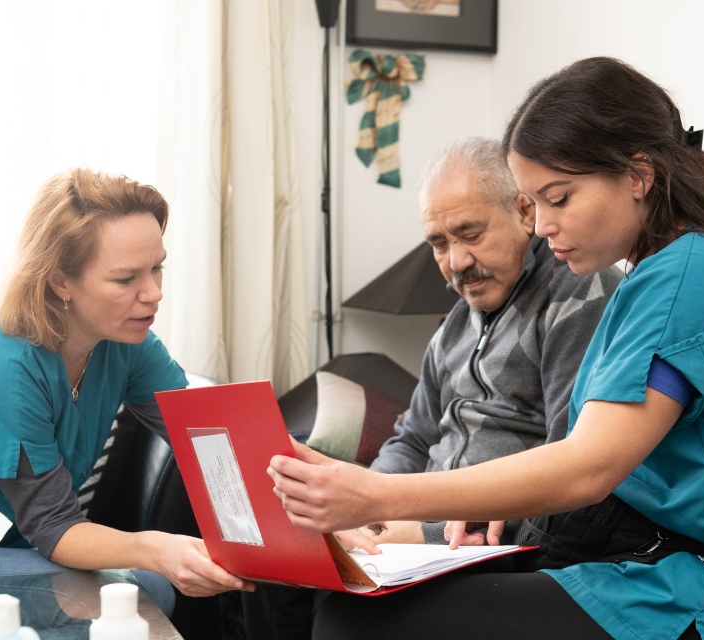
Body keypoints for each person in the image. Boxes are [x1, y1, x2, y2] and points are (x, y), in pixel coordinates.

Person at [268, 57, 704, 640]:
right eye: (531, 205)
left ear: (638, 174)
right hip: (627, 553)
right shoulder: (671, 274)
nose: (540, 225)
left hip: (684, 582)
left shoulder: (693, 275)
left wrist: (376, 496)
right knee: (349, 598)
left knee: (353, 621)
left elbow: (592, 464)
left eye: (558, 198)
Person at [243, 137, 622, 638]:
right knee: (269, 564)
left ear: (523, 212)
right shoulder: (456, 325)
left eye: (470, 233)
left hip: (493, 539)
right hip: (417, 521)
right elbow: (413, 438)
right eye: (439, 244)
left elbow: (568, 468)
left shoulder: (579, 294)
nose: (457, 262)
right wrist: (369, 512)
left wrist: (401, 524)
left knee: (342, 616)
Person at [0, 168, 254, 603]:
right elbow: (53, 526)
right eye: (126, 278)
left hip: (9, 545)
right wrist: (155, 549)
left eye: (157, 269)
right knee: (146, 591)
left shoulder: (126, 341)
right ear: (60, 279)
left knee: (149, 592)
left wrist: (325, 514)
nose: (154, 293)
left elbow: (216, 441)